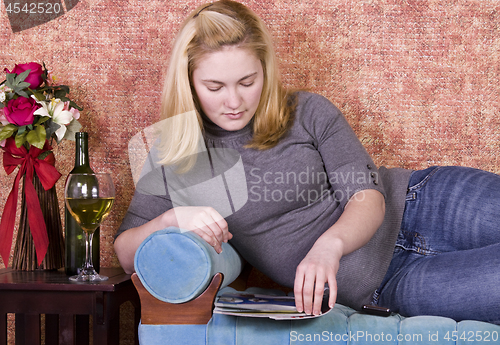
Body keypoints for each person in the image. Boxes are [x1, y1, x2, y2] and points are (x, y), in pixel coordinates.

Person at [114, 0, 500, 324]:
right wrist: (172, 219)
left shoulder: (307, 111)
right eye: (215, 87)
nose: (233, 101)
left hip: (423, 203)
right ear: (189, 82)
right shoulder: (174, 155)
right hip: (390, 280)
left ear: (265, 70)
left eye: (247, 82)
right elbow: (125, 250)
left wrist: (328, 246)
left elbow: (368, 197)